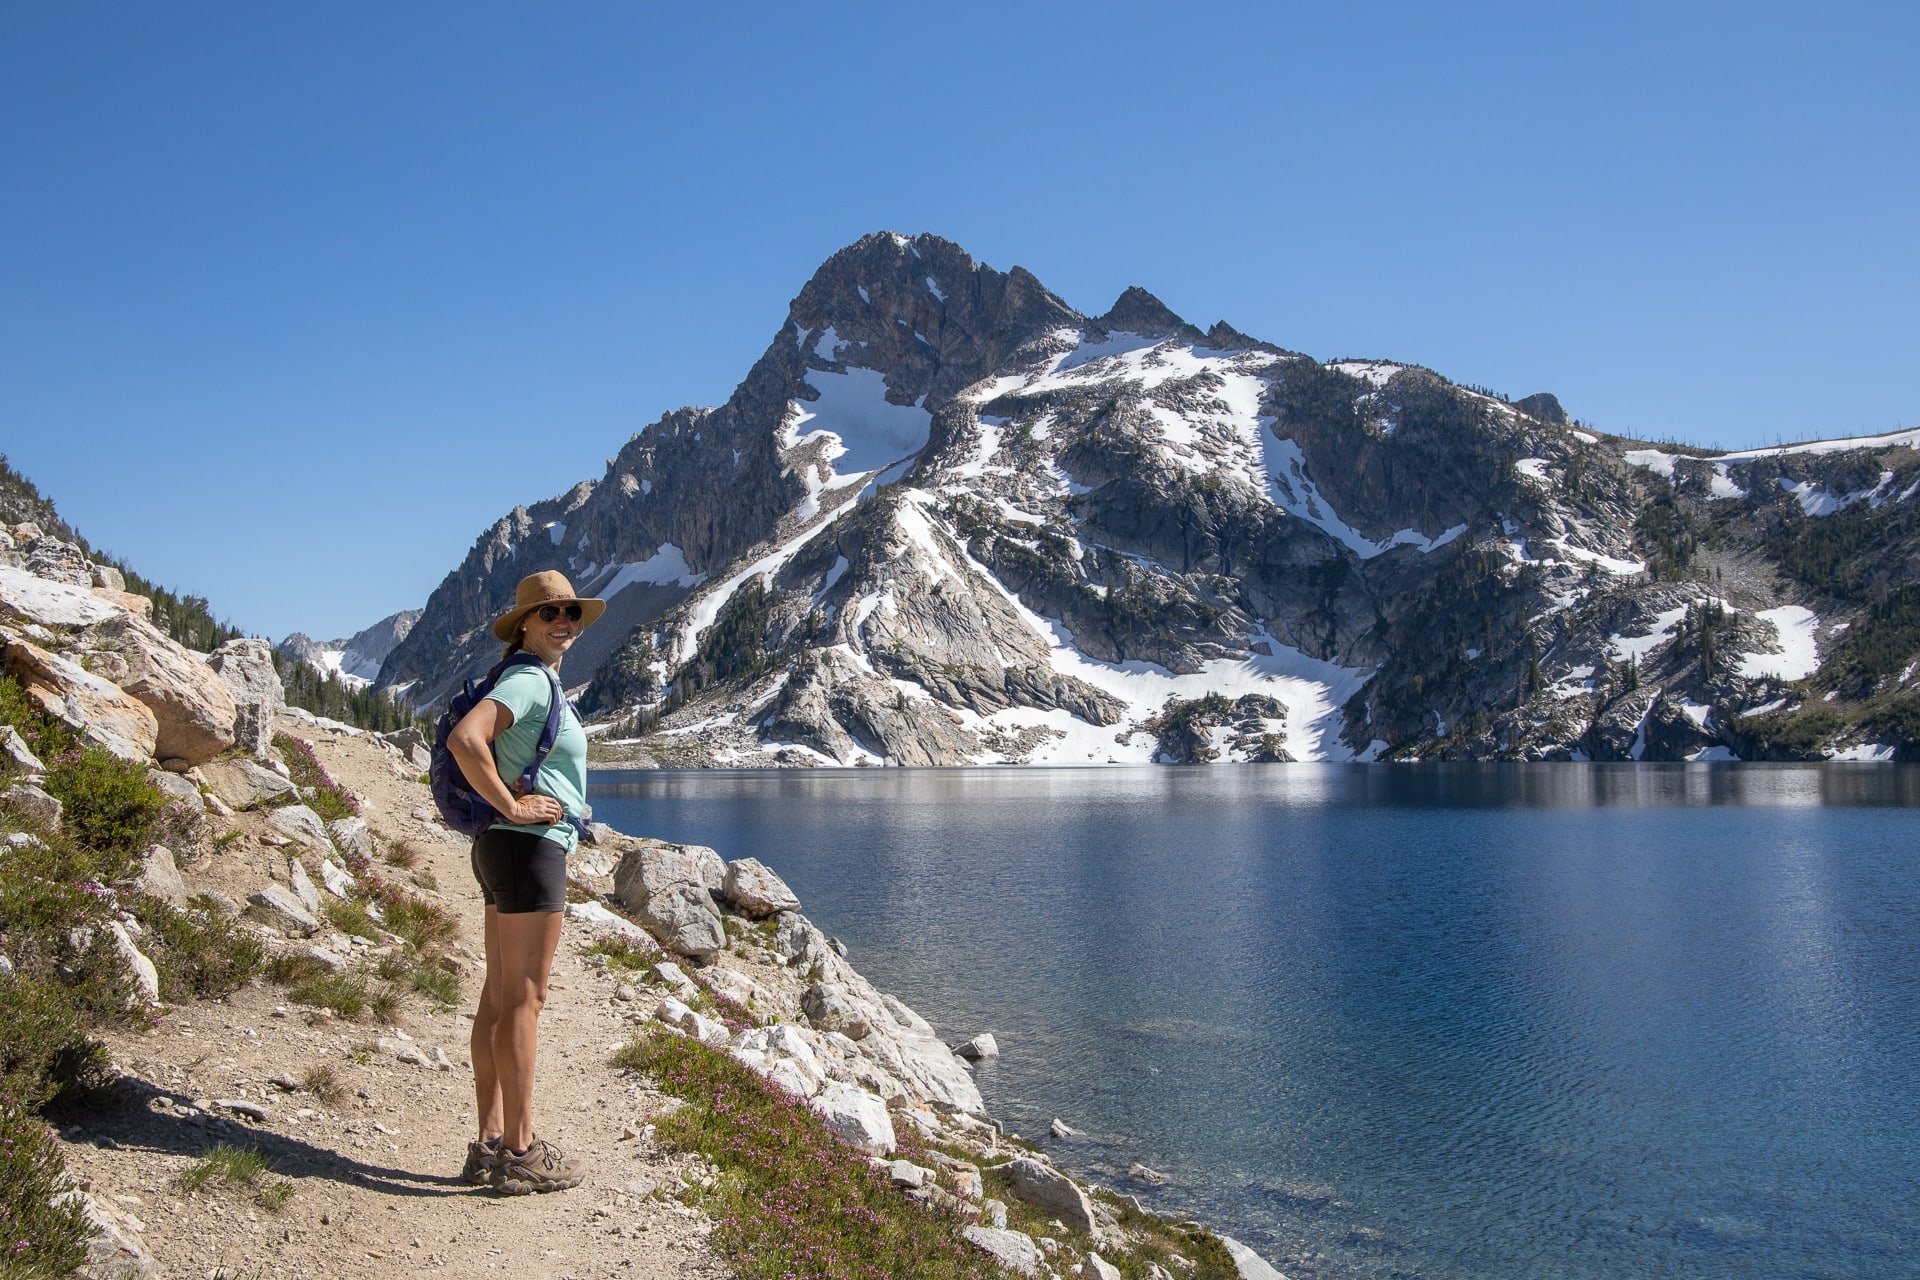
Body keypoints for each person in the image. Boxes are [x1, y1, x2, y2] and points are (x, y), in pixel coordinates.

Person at [448, 570, 605, 1194]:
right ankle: (519, 1150)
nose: (563, 621)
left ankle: (488, 1142)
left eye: (571, 612)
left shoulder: (533, 679)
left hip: (501, 850)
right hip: (527, 847)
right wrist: (513, 807)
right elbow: (467, 740)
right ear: (525, 626)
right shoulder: (530, 680)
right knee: (525, 999)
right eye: (549, 615)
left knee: (499, 994)